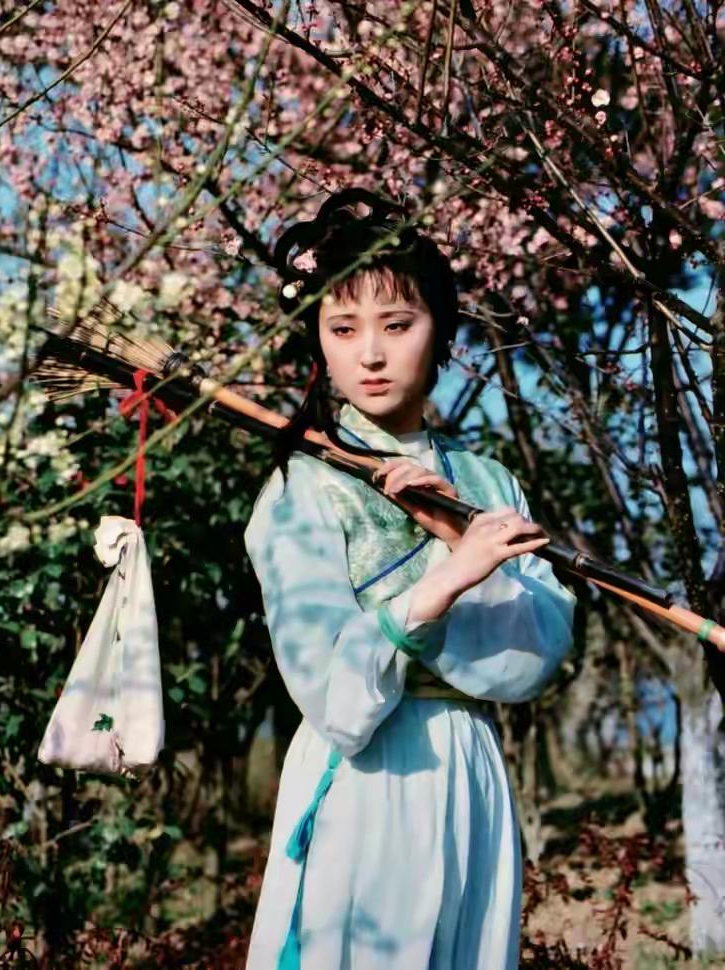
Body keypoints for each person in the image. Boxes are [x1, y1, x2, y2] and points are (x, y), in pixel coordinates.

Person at [243, 188, 577, 969]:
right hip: (366, 774)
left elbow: (533, 661)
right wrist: (444, 581)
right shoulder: (302, 487)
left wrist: (462, 535)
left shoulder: (489, 484)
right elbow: (333, 697)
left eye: (397, 325)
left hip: (468, 764)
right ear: (316, 339)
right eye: (343, 328)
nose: (370, 354)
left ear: (440, 331)